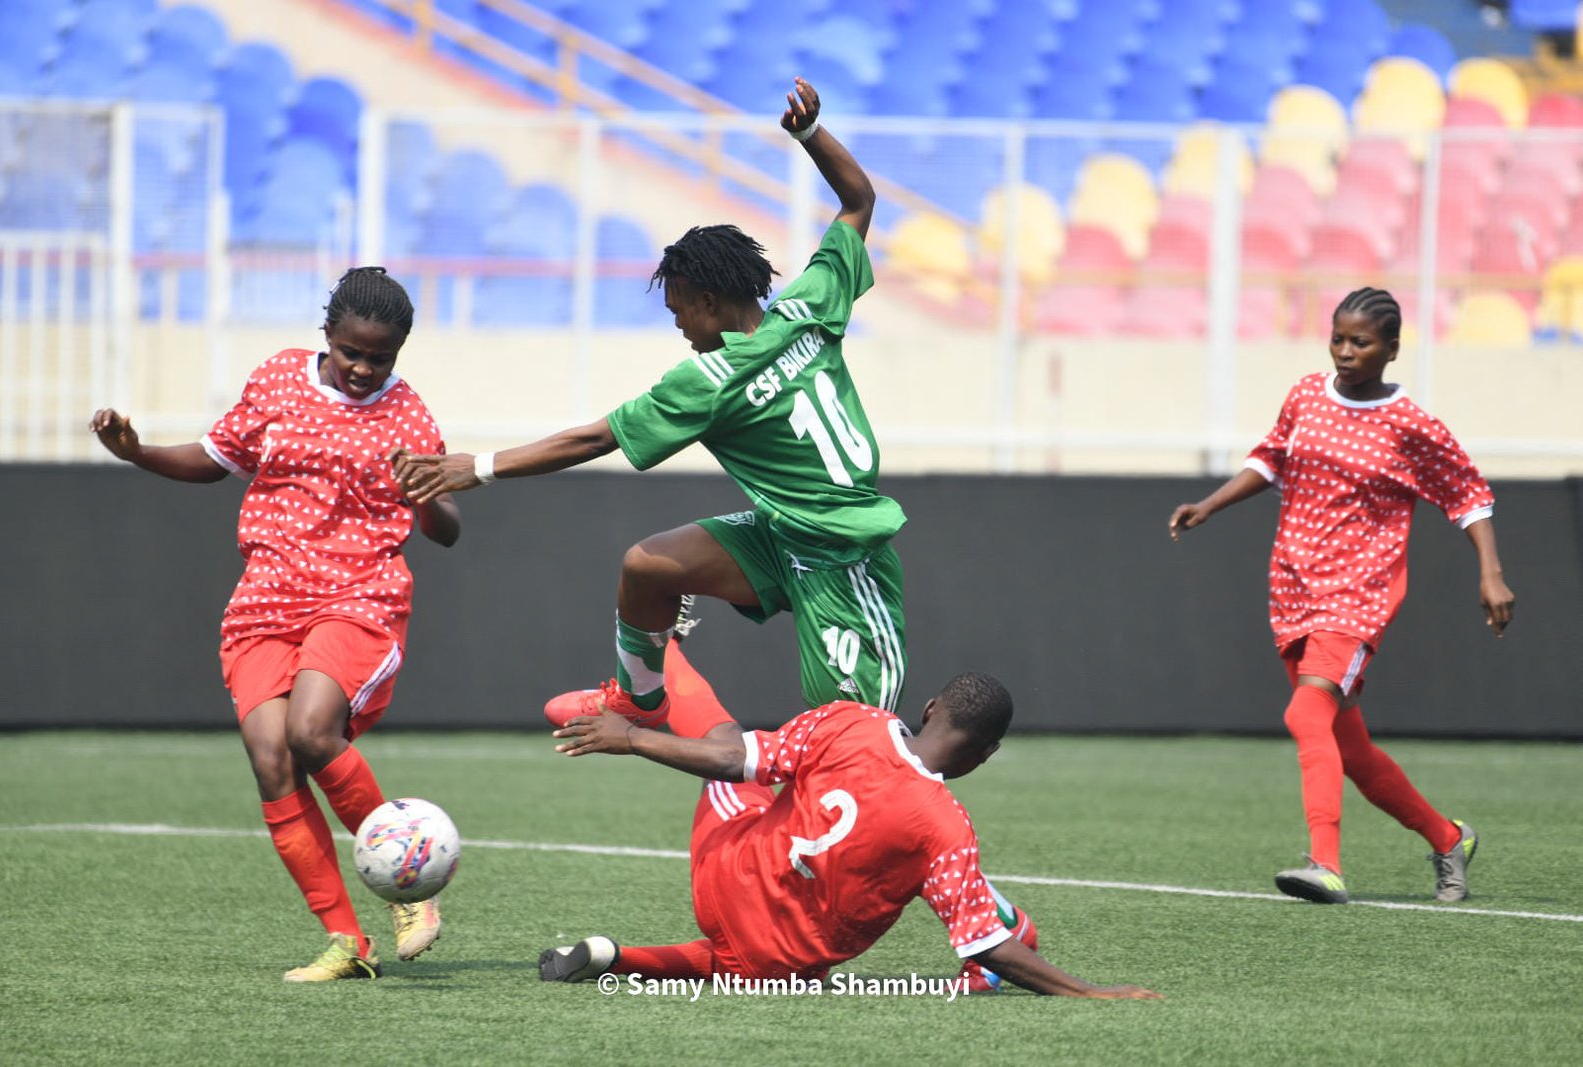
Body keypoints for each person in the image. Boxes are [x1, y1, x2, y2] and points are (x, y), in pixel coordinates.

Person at [392, 77, 907, 726]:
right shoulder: (809, 304)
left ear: (708, 301)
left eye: (678, 309)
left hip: (843, 553)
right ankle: (640, 699)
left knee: (854, 739)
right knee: (646, 567)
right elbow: (859, 200)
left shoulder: (710, 379)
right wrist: (808, 134)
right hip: (783, 534)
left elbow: (596, 438)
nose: (678, 325)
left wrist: (480, 467)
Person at [89, 267, 463, 980]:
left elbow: (446, 529)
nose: (363, 368)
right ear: (327, 334)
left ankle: (411, 887)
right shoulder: (278, 379)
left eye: (379, 357)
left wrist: (424, 491)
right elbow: (215, 459)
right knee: (271, 758)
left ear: (398, 353)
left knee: (311, 732)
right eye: (351, 352)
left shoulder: (407, 415)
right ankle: (347, 942)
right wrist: (136, 452)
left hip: (357, 593)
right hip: (267, 600)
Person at [540, 654, 1162, 1000]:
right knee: (758, 969)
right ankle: (621, 958)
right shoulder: (948, 829)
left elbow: (732, 760)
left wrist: (631, 738)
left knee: (729, 749)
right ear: (987, 754)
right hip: (783, 960)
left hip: (724, 877)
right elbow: (986, 948)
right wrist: (1093, 992)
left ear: (929, 709)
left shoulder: (852, 722)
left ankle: (657, 658)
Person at [1168, 287, 1515, 905]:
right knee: (1350, 751)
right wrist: (1211, 505)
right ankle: (1448, 838)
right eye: (1338, 339)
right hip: (1294, 586)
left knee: (1305, 715)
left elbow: (1468, 494)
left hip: (1358, 593)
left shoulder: (1410, 425)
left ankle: (1324, 865)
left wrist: (1490, 572)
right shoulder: (1307, 395)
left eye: (1362, 342)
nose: (1346, 352)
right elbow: (1271, 457)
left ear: (1392, 349)